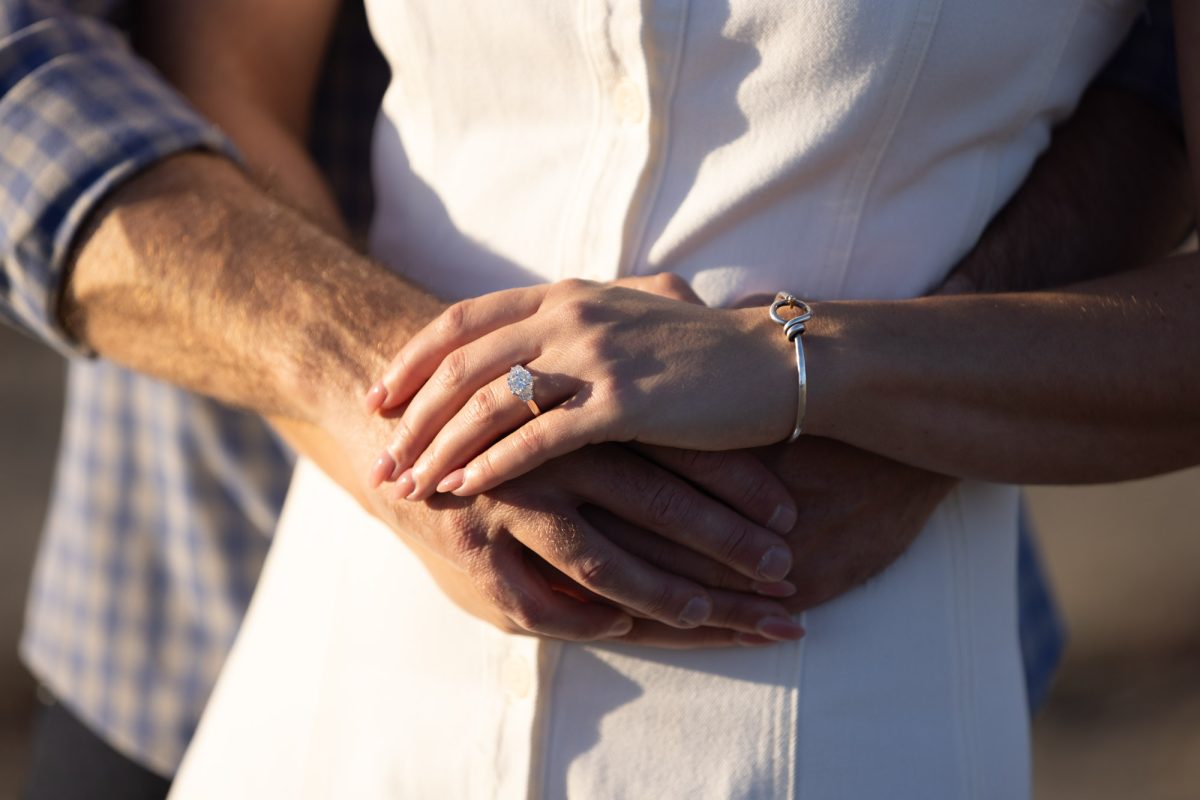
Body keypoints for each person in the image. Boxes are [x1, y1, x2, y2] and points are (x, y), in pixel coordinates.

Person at [0, 0, 1185, 797]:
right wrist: (404, 417)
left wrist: (814, 365)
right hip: (342, 655)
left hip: (828, 685)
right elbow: (219, 87)